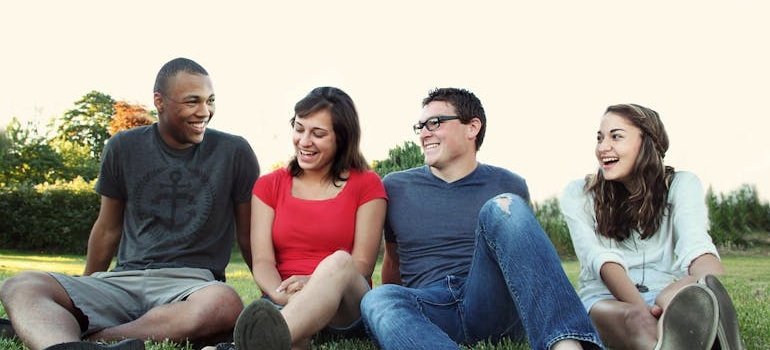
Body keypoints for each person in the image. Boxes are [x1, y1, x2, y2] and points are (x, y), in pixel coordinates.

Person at [0, 57, 260, 350]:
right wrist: (82, 291)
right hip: (125, 278)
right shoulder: (124, 147)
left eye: (210, 100)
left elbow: (249, 234)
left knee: (225, 302)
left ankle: (91, 340)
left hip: (191, 284)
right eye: (192, 102)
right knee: (19, 285)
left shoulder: (234, 151)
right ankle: (69, 342)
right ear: (159, 101)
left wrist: (270, 297)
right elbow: (107, 229)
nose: (205, 111)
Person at [360, 88, 603, 350]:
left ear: (472, 127)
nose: (424, 133)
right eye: (420, 126)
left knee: (504, 206)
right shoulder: (396, 186)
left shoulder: (509, 184)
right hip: (431, 308)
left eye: (435, 122)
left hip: (491, 305)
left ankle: (566, 345)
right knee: (377, 299)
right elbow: (394, 262)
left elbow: (526, 258)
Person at [214, 87, 386, 350]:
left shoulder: (367, 184)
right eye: (299, 128)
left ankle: (245, 346)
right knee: (293, 342)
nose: (304, 141)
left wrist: (314, 284)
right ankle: (287, 334)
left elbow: (361, 264)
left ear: (342, 138)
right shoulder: (268, 186)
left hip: (346, 306)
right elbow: (262, 261)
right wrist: (284, 297)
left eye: (318, 134)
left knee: (340, 261)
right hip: (284, 300)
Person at [560, 103, 743, 349]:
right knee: (637, 320)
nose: (603, 148)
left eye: (616, 137)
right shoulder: (579, 194)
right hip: (606, 299)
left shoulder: (682, 185)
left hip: (668, 294)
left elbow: (697, 247)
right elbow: (601, 260)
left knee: (690, 299)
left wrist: (671, 295)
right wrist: (645, 310)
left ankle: (684, 331)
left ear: (647, 142)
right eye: (599, 138)